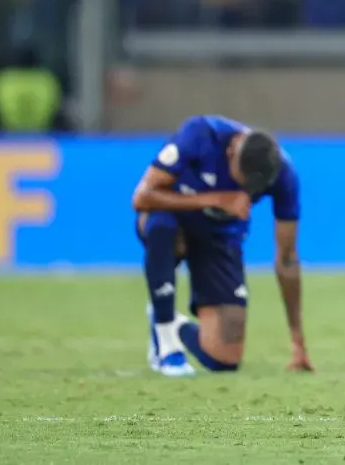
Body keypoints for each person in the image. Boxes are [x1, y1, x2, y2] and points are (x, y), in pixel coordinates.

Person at [131, 115, 313, 376]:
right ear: (231, 151)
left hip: (220, 236)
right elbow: (142, 196)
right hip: (174, 219)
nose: (243, 189)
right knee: (162, 226)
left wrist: (297, 338)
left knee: (224, 358)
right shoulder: (200, 135)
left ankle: (170, 321)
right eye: (239, 179)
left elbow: (287, 258)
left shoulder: (283, 174)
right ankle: (166, 340)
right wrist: (217, 198)